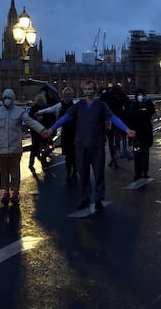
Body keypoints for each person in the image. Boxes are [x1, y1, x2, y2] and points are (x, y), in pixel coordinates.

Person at [43, 80, 136, 212]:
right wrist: (52, 129)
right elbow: (65, 117)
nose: (88, 91)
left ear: (94, 90)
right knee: (83, 173)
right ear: (83, 90)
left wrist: (126, 129)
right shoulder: (79, 106)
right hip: (81, 145)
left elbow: (113, 118)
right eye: (86, 88)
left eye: (90, 88)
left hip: (97, 144)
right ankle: (85, 198)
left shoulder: (101, 105)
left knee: (98, 173)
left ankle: (99, 198)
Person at [38, 87, 78, 181]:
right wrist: (39, 112)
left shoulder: (76, 104)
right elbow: (49, 110)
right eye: (66, 94)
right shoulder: (60, 105)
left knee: (74, 155)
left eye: (69, 94)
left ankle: (75, 172)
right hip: (66, 133)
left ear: (72, 95)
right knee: (68, 156)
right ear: (63, 95)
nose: (68, 96)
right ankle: (69, 173)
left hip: (76, 132)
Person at [100, 83, 131, 168]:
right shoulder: (120, 94)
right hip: (118, 119)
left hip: (109, 119)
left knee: (110, 140)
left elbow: (100, 102)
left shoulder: (107, 94)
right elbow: (128, 103)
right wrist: (125, 114)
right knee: (117, 138)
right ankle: (115, 155)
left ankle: (113, 158)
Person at [128, 88, 156, 180]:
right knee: (137, 153)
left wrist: (148, 101)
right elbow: (131, 118)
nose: (140, 97)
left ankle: (145, 171)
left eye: (142, 95)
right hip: (136, 133)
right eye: (139, 95)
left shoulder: (148, 105)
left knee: (145, 153)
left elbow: (152, 111)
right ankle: (138, 172)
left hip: (146, 132)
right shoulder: (133, 106)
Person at [28, 93, 51, 170]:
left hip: (35, 131)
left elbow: (29, 120)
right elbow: (49, 120)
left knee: (34, 147)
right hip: (44, 130)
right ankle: (44, 163)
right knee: (43, 147)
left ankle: (31, 163)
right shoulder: (46, 108)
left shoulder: (33, 108)